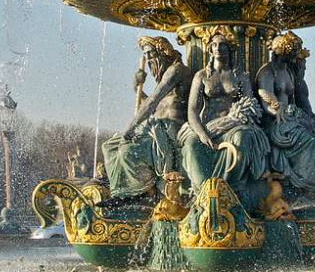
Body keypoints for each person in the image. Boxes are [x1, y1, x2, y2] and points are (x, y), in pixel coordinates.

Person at [101, 37, 193, 206]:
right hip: (156, 126)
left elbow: (152, 103)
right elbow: (151, 105)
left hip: (171, 129)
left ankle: (136, 195)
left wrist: (131, 128)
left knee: (127, 150)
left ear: (163, 52)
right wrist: (137, 88)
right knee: (109, 147)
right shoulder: (166, 75)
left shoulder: (177, 70)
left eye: (151, 55)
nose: (150, 61)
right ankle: (123, 190)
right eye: (147, 56)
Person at [255, 31, 315, 203]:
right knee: (312, 144)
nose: (296, 57)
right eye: (293, 53)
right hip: (276, 123)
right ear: (282, 52)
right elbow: (264, 97)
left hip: (290, 121)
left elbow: (298, 105)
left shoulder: (288, 74)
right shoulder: (268, 72)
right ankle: (307, 190)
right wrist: (278, 111)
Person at [179, 30, 269, 194]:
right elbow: (192, 110)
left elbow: (250, 106)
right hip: (207, 126)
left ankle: (228, 191)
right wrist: (201, 133)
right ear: (210, 50)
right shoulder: (202, 76)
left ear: (230, 49)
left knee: (244, 137)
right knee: (192, 144)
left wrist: (234, 120)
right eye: (214, 45)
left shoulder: (241, 77)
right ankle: (204, 192)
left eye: (222, 45)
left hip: (234, 125)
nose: (218, 48)